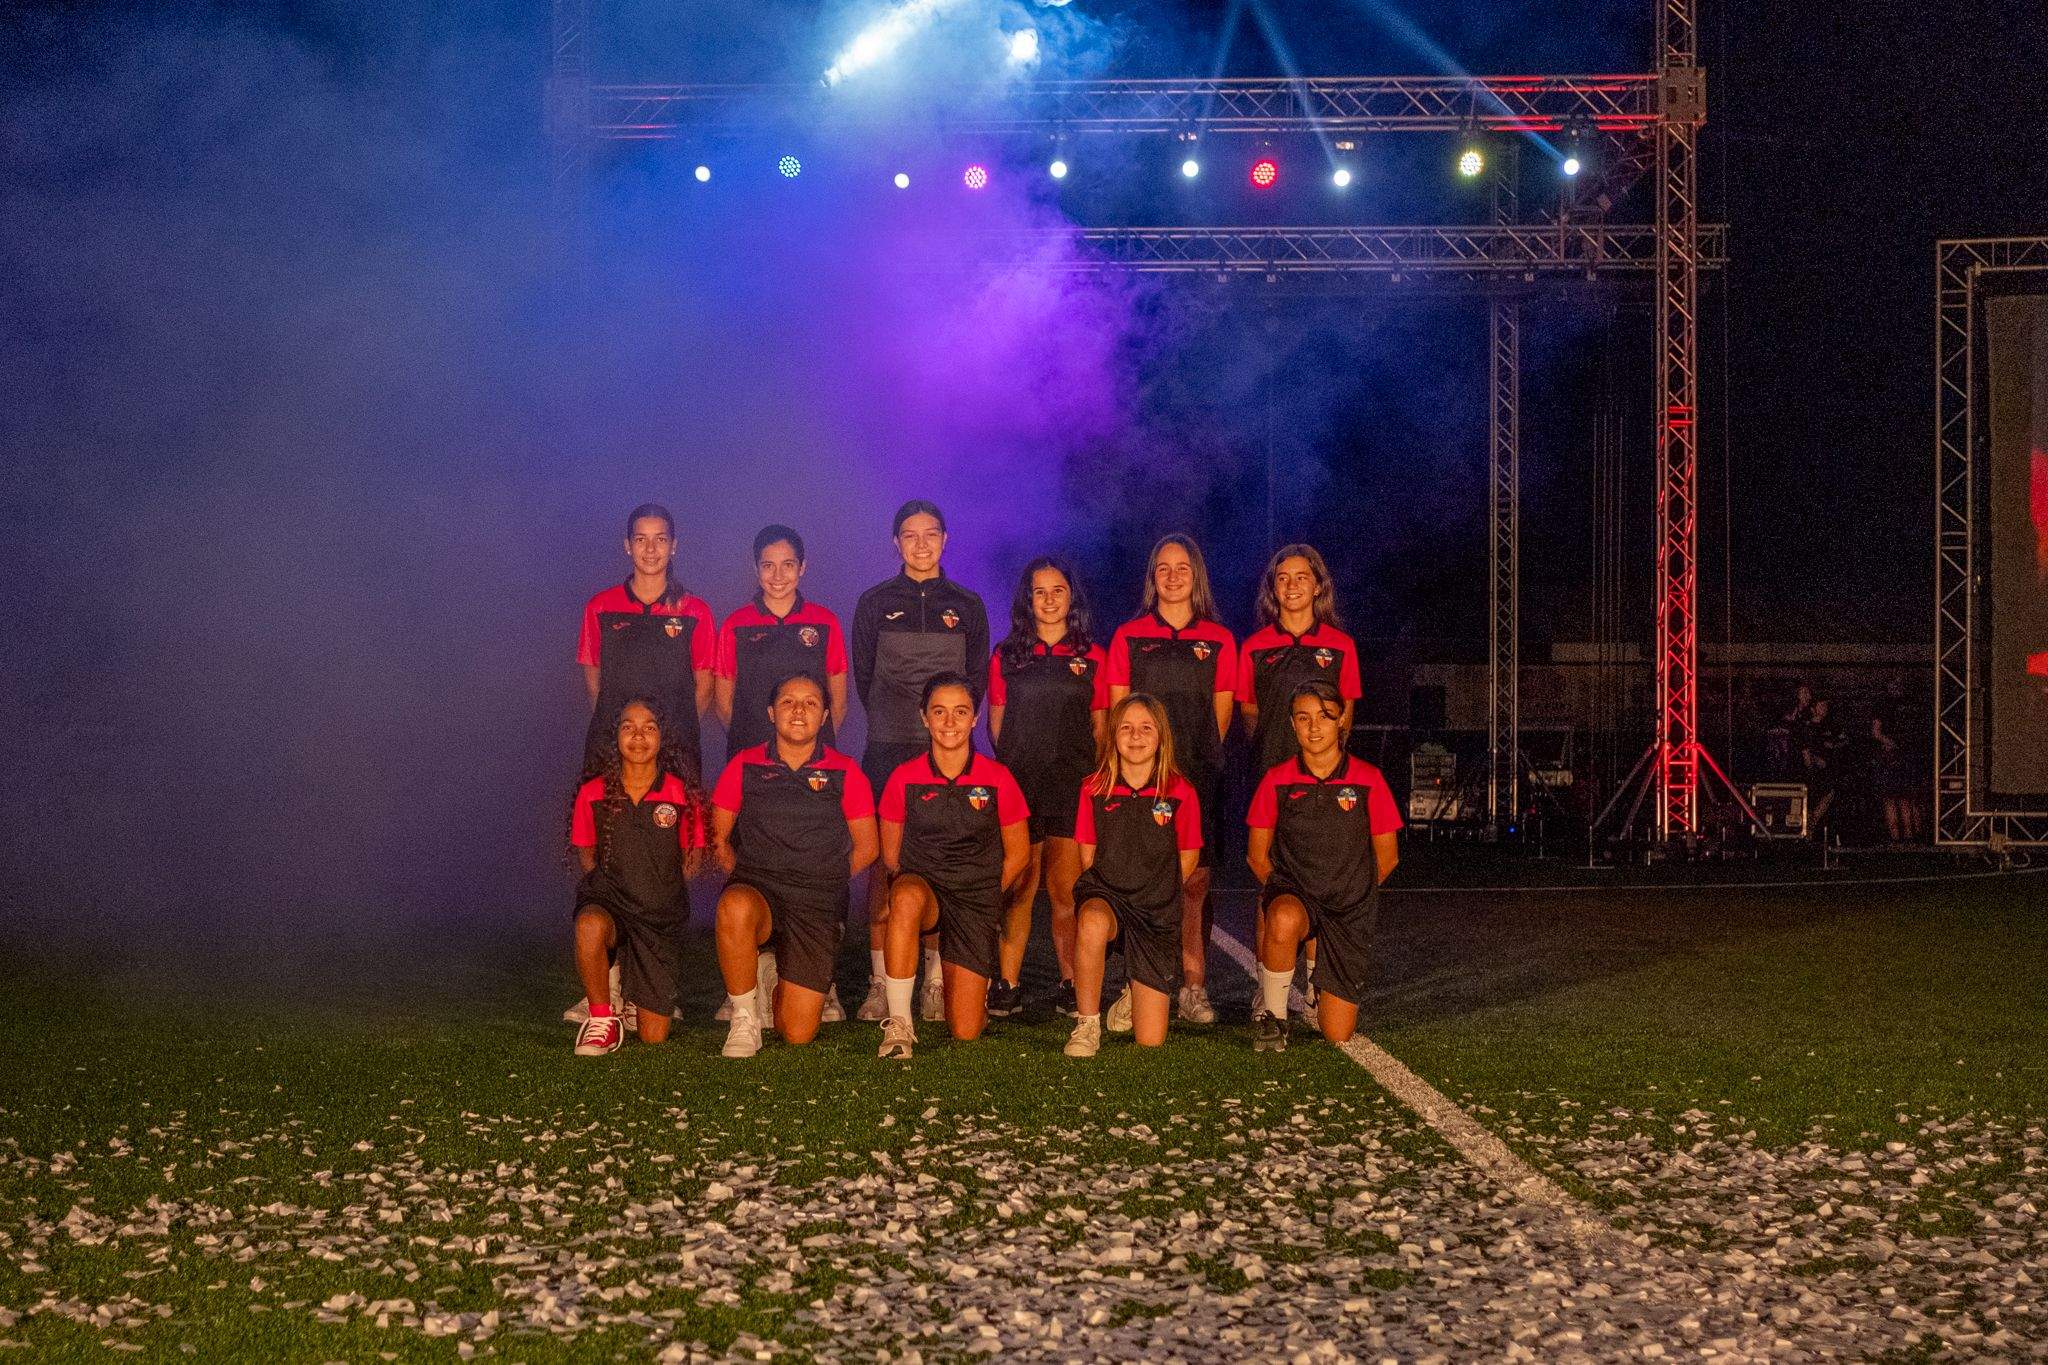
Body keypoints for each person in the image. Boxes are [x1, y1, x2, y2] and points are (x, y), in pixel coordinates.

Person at [850, 501, 990, 1023]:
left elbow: (973, 683)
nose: (922, 544)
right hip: (888, 749)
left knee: (946, 860)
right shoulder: (874, 602)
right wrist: (901, 727)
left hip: (950, 757)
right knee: (886, 870)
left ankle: (933, 979)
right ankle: (879, 982)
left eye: (932, 534)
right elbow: (865, 680)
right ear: (895, 543)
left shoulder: (968, 605)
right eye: (910, 535)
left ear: (946, 540)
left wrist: (946, 738)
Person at [710, 673, 878, 1058]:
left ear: (825, 717)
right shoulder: (744, 764)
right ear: (771, 713)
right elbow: (716, 836)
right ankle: (744, 1019)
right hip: (760, 891)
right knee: (734, 906)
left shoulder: (845, 770)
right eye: (788, 702)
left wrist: (828, 878)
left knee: (797, 1033)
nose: (798, 711)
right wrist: (742, 876)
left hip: (815, 901)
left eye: (811, 703)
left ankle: (771, 973)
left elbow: (868, 848)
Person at [1104, 534, 1234, 1025]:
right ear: (1152, 577)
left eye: (1183, 568)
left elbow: (1220, 719)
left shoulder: (1219, 639)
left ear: (1196, 576)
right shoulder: (1129, 636)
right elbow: (1119, 712)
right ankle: (1131, 984)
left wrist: (1190, 769)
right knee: (1133, 880)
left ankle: (1193, 988)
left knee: (1195, 885)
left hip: (1196, 776)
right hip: (1139, 777)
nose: (1173, 577)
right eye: (1164, 568)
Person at [875, 674, 1032, 1058]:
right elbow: (892, 858)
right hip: (925, 890)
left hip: (974, 900)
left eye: (960, 712)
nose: (949, 722)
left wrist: (988, 895)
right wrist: (907, 889)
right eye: (939, 712)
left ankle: (964, 993)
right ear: (924, 718)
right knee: (906, 895)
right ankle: (898, 1025)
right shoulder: (902, 777)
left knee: (965, 1031)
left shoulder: (998, 778)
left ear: (975, 718)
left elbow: (1019, 853)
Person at [1236, 544, 1362, 1019]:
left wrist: (1324, 760)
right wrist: (1274, 752)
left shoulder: (1340, 646)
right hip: (1273, 778)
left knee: (1325, 875)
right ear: (1273, 588)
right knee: (1268, 881)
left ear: (1317, 585)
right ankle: (1264, 987)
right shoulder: (1254, 647)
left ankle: (1315, 981)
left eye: (1301, 577)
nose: (1292, 586)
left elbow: (1345, 714)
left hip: (1326, 781)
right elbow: (1249, 714)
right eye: (1283, 578)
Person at [1245, 680, 1403, 1050]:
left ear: (1341, 721)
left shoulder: (1369, 779)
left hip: (1346, 910)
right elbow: (1256, 855)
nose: (1314, 727)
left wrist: (1348, 891)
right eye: (1304, 718)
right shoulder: (1276, 779)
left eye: (1324, 717)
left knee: (1337, 1033)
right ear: (1292, 724)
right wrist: (1286, 890)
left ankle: (1320, 985)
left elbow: (1388, 857)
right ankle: (1274, 1018)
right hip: (1296, 898)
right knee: (1283, 916)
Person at [987, 557, 1108, 1017]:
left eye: (1058, 590)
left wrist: (1085, 775)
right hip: (1021, 786)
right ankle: (1007, 982)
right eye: (1040, 592)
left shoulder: (1092, 656)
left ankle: (1070, 982)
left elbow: (1101, 728)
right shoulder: (1007, 655)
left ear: (1071, 597)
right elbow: (996, 726)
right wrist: (1020, 765)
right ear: (1028, 600)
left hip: (1073, 787)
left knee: (1065, 891)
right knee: (1019, 886)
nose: (1050, 600)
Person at [567, 698, 708, 1056]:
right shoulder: (594, 791)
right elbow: (586, 852)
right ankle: (601, 1017)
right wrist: (610, 888)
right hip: (611, 904)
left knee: (653, 1036)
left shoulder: (681, 793)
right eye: (628, 726)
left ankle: (635, 993)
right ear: (615, 736)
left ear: (663, 738)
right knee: (588, 924)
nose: (639, 736)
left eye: (649, 727)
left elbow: (692, 858)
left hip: (657, 917)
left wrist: (659, 891)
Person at [1064, 694, 1204, 1057]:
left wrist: (1154, 895)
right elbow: (1088, 858)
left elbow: (1186, 861)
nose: (1136, 736)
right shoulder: (1093, 788)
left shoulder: (1180, 791)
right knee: (1092, 921)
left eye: (1146, 728)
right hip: (1108, 896)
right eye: (1126, 728)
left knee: (1151, 1040)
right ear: (1113, 735)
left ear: (1161, 737)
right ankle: (1087, 1023)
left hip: (1155, 911)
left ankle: (1133, 988)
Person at [576, 503, 716, 784]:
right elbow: (594, 685)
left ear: (673, 545)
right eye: (641, 539)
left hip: (677, 749)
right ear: (628, 545)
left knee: (680, 826)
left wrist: (671, 731)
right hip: (612, 746)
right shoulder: (600, 607)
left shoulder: (694, 610)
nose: (650, 549)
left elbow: (704, 689)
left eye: (660, 539)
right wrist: (624, 730)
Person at [715, 525, 850, 761]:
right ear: (756, 569)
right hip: (750, 755)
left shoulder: (825, 622)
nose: (778, 576)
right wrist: (750, 740)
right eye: (768, 566)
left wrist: (805, 741)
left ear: (802, 567)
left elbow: (838, 704)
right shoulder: (735, 625)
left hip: (813, 757)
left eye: (788, 565)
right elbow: (724, 706)